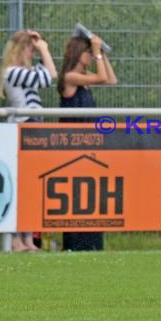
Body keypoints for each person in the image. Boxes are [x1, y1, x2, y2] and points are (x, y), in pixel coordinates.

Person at [0, 29, 58, 252]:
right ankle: (15, 238)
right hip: (24, 128)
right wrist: (44, 49)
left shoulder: (25, 71)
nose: (33, 54)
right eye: (30, 50)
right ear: (20, 50)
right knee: (21, 185)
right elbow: (50, 76)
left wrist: (40, 45)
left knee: (31, 186)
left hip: (35, 127)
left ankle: (28, 238)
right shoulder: (13, 72)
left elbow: (46, 74)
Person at [57, 33, 117, 251]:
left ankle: (91, 243)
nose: (91, 56)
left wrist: (102, 53)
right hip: (73, 143)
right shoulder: (71, 77)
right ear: (77, 53)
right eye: (88, 52)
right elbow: (102, 78)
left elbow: (110, 80)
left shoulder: (86, 76)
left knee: (92, 194)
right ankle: (74, 243)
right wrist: (98, 52)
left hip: (90, 143)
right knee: (74, 192)